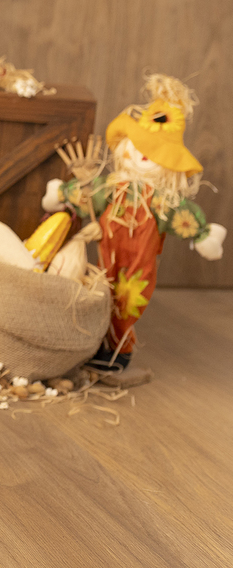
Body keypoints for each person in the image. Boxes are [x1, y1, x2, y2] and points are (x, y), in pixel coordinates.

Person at [43, 74, 224, 379]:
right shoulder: (112, 187)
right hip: (105, 256)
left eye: (152, 153)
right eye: (139, 147)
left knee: (128, 300)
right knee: (98, 293)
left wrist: (203, 234)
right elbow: (88, 192)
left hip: (138, 261)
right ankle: (92, 342)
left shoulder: (160, 199)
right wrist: (63, 193)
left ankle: (118, 351)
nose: (142, 156)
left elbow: (182, 213)